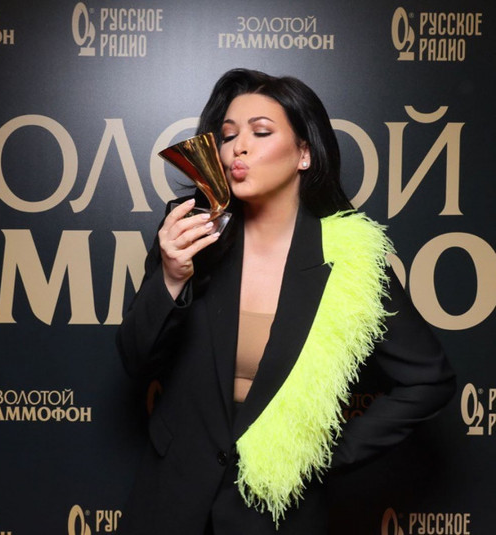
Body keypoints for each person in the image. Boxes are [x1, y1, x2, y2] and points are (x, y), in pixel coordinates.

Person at [116, 68, 456, 534]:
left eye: (260, 132)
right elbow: (135, 359)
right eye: (228, 135)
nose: (238, 147)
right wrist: (173, 277)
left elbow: (429, 380)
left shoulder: (350, 260)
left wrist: (324, 454)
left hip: (275, 513)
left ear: (304, 154)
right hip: (170, 498)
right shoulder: (189, 234)